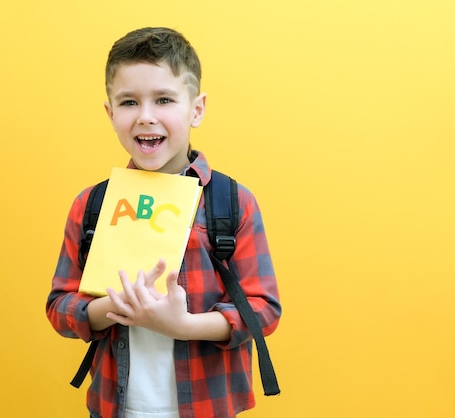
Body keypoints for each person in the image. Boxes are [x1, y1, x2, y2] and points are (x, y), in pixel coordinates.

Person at [46, 27, 281, 418]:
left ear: (196, 109)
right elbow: (60, 307)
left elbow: (264, 310)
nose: (145, 116)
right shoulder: (92, 205)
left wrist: (184, 325)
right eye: (128, 102)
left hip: (209, 407)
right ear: (110, 113)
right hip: (113, 407)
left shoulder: (232, 203)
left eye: (164, 99)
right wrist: (112, 308)